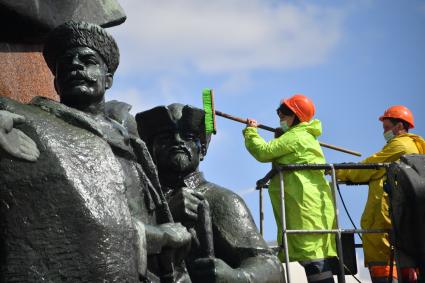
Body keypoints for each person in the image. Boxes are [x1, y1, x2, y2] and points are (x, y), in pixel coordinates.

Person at [0, 21, 191, 282]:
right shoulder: (33, 124)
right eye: (65, 64)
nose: (75, 65)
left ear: (108, 78)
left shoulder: (133, 143)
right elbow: (70, 224)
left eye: (88, 60)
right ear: (55, 83)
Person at [136, 103, 285, 283]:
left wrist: (235, 276)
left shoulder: (222, 199)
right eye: (166, 137)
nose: (178, 141)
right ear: (151, 150)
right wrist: (167, 213)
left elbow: (270, 266)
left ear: (203, 149)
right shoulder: (139, 200)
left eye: (188, 136)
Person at [243, 94, 337, 283]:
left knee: (312, 256)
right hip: (306, 203)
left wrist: (251, 132)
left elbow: (264, 152)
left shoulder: (297, 136)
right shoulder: (301, 136)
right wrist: (282, 135)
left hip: (303, 205)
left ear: (296, 116)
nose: (281, 119)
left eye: (284, 115)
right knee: (312, 253)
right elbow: (282, 152)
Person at [336, 105, 425, 283]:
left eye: (386, 127)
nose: (384, 132)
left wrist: (338, 171)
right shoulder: (412, 147)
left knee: (384, 265)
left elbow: (369, 166)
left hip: (384, 223)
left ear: (399, 126)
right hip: (397, 223)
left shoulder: (400, 146)